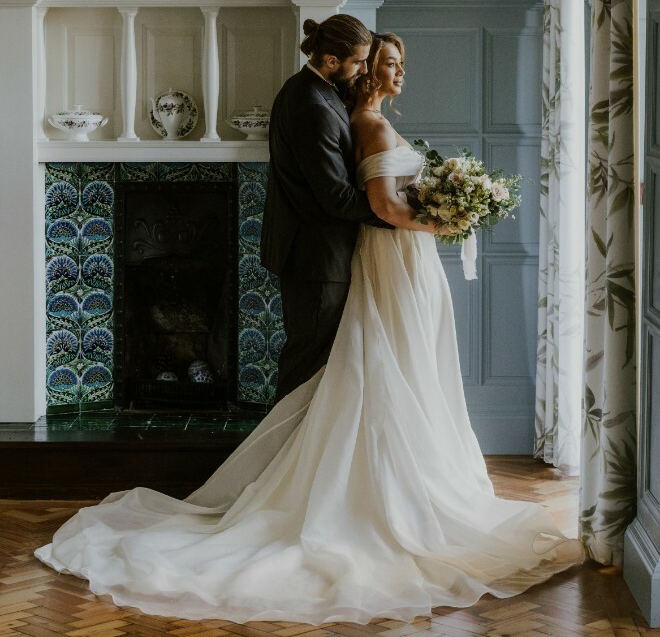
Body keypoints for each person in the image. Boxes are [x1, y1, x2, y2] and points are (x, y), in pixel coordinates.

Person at [35, 32, 583, 625]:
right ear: (345, 64)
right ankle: (288, 490)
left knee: (355, 370)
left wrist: (439, 209)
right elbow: (354, 198)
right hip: (329, 257)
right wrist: (438, 217)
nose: (394, 72)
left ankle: (300, 484)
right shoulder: (319, 106)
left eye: (396, 62)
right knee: (324, 371)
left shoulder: (340, 107)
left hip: (370, 257)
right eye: (382, 63)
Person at [260, 13, 383, 401]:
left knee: (317, 362)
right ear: (331, 60)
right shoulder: (310, 103)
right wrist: (397, 216)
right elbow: (336, 197)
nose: (365, 69)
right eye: (359, 61)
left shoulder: (320, 90)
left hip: (317, 253)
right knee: (306, 365)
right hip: (315, 258)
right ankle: (281, 457)